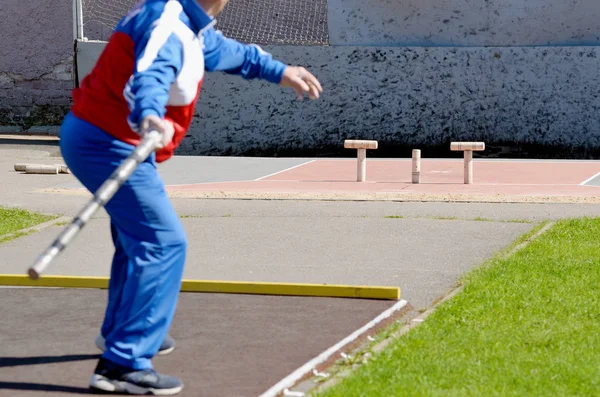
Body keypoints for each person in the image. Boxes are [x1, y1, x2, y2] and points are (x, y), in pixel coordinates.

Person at [59, 0, 323, 394]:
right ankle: (122, 364)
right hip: (106, 143)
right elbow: (148, 75)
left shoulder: (190, 23)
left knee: (136, 237)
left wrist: (279, 71)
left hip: (106, 138)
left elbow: (224, 51)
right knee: (163, 242)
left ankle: (126, 329)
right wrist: (150, 116)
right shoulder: (167, 22)